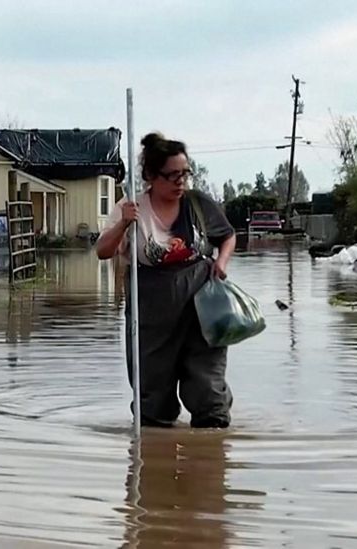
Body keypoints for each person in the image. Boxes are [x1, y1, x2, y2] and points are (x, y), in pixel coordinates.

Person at [96, 132, 237, 428]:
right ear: (150, 175)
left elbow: (227, 236)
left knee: (207, 383)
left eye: (184, 174)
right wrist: (124, 223)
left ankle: (210, 456)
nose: (180, 182)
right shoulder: (132, 208)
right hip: (152, 306)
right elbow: (103, 251)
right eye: (171, 175)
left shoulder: (197, 203)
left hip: (200, 303)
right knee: (152, 390)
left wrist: (221, 262)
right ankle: (154, 456)